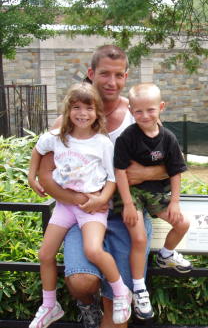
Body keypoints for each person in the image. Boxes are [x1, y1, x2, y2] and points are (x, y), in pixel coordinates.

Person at [37, 45, 167, 328]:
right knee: (82, 281)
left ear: (126, 76)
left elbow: (170, 165)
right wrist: (81, 199)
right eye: (105, 74)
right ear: (91, 73)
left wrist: (137, 173)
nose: (111, 82)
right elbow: (45, 174)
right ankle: (87, 303)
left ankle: (112, 302)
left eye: (118, 75)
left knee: (117, 307)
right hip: (81, 214)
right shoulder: (70, 119)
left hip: (126, 217)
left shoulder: (139, 116)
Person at [28, 82, 133, 328]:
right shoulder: (57, 138)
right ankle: (50, 304)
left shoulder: (102, 143)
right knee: (45, 254)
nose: (82, 113)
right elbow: (37, 149)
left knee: (93, 250)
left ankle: (121, 292)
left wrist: (102, 199)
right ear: (68, 110)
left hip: (92, 207)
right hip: (65, 207)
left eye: (88, 108)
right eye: (76, 107)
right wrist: (31, 176)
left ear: (97, 112)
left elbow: (112, 177)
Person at [113, 83, 192, 284]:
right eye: (138, 111)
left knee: (182, 224)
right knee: (139, 238)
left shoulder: (168, 138)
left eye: (150, 110)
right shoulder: (127, 138)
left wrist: (175, 202)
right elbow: (120, 172)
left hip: (156, 193)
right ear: (131, 111)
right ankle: (139, 287)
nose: (145, 115)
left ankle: (165, 255)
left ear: (161, 107)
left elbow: (175, 172)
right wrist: (128, 205)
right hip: (132, 194)